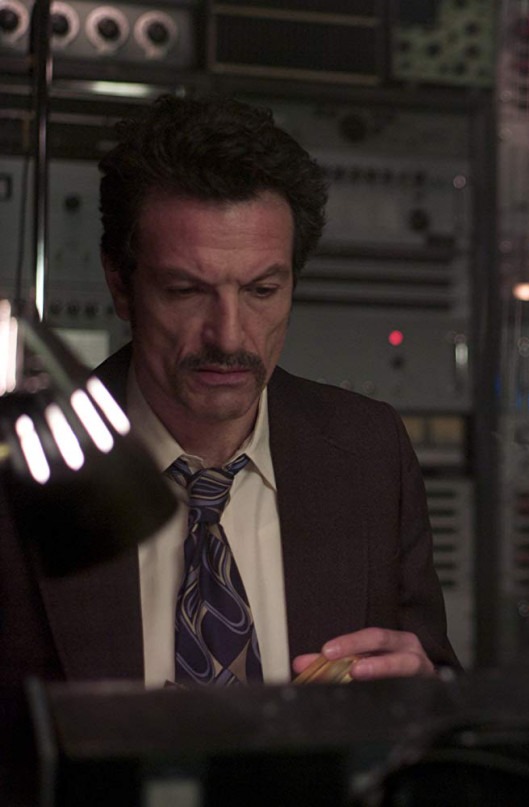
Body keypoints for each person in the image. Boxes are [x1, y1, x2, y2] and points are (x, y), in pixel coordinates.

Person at [0, 95, 458, 688]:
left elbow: (437, 687)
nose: (229, 336)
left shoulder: (370, 449)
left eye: (262, 290)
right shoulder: (24, 464)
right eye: (186, 291)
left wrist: (423, 693)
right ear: (120, 284)